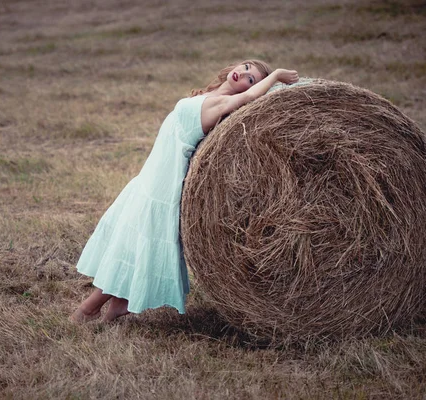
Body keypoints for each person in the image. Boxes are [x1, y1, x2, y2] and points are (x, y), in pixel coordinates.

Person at [70, 60, 299, 323]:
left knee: (129, 250)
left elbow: (249, 97)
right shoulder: (212, 94)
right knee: (132, 244)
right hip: (150, 177)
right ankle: (119, 306)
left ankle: (89, 309)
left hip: (163, 185)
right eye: (247, 67)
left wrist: (277, 76)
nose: (244, 74)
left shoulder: (221, 104)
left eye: (251, 79)